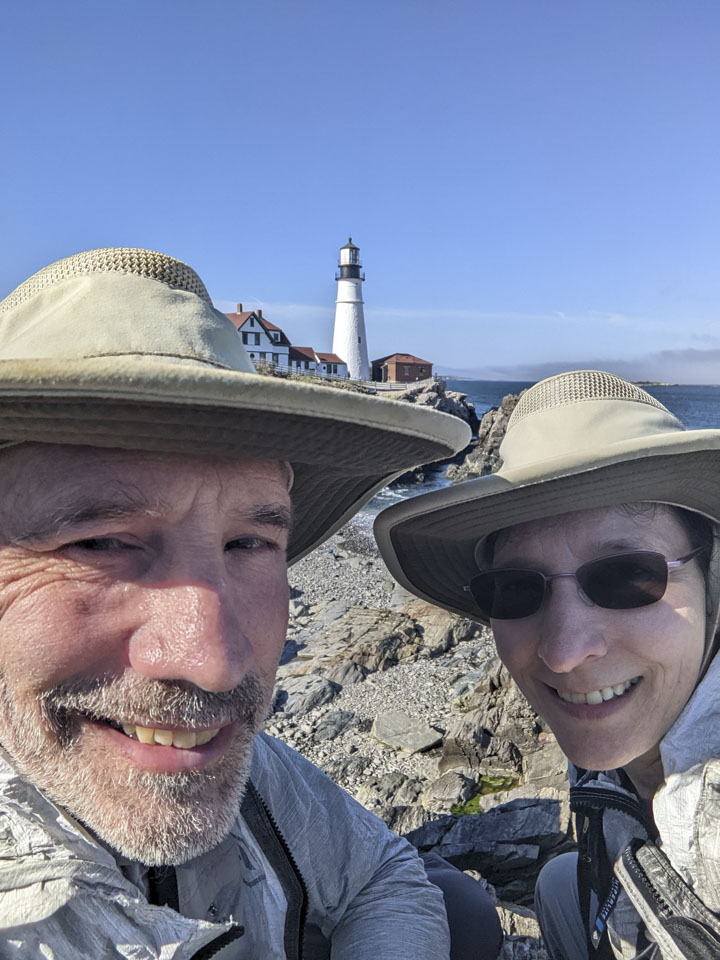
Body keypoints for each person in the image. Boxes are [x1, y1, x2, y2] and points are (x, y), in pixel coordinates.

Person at [0, 247, 502, 959]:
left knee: (458, 899)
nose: (215, 661)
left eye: (248, 545)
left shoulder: (237, 765)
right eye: (103, 544)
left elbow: (385, 873)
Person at [375, 369, 720, 959]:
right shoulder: (626, 718)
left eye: (626, 577)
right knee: (561, 884)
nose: (563, 652)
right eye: (515, 589)